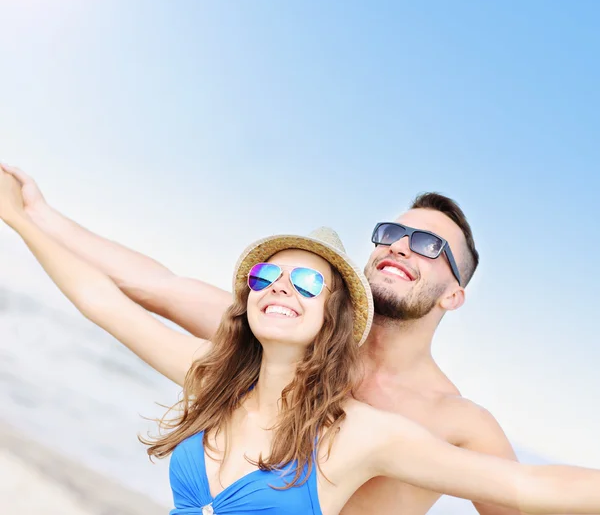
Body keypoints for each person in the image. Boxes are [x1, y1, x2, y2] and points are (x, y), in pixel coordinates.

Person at [2, 169, 600, 515]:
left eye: (428, 246)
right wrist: (37, 215)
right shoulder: (279, 339)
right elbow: (146, 288)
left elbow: (527, 493)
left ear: (453, 295)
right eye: (393, 233)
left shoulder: (456, 423)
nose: (400, 246)